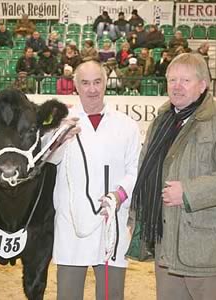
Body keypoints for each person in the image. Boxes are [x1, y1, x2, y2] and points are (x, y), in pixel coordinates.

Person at [127, 53, 216, 300]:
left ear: (203, 84)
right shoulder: (162, 120)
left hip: (205, 247)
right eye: (172, 79)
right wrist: (136, 218)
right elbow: (145, 171)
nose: (176, 86)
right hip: (165, 241)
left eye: (185, 80)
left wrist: (189, 192)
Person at [49, 60, 141, 300]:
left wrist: (119, 195)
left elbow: (135, 169)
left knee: (111, 295)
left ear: (106, 83)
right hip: (72, 226)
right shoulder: (62, 123)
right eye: (85, 83)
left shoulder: (127, 125)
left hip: (111, 223)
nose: (92, 89)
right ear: (75, 86)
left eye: (97, 82)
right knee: (68, 295)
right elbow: (47, 161)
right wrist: (60, 139)